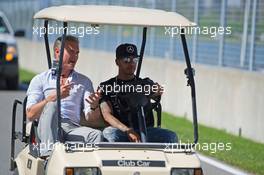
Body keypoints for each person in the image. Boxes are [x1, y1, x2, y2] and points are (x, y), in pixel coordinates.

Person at [26, 35, 103, 156]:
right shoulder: (40, 79)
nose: (75, 57)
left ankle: (87, 168)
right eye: (71, 51)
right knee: (52, 105)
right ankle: (48, 157)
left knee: (96, 135)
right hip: (47, 127)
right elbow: (30, 114)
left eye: (77, 53)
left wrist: (94, 106)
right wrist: (54, 96)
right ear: (57, 52)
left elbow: (90, 117)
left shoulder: (84, 81)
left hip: (72, 128)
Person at [99, 43, 177, 143]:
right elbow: (107, 115)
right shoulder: (107, 86)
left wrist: (156, 91)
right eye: (126, 60)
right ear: (117, 62)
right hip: (120, 131)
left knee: (170, 137)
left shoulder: (145, 83)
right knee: (110, 134)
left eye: (134, 60)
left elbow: (155, 92)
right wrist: (127, 130)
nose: (131, 63)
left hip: (146, 131)